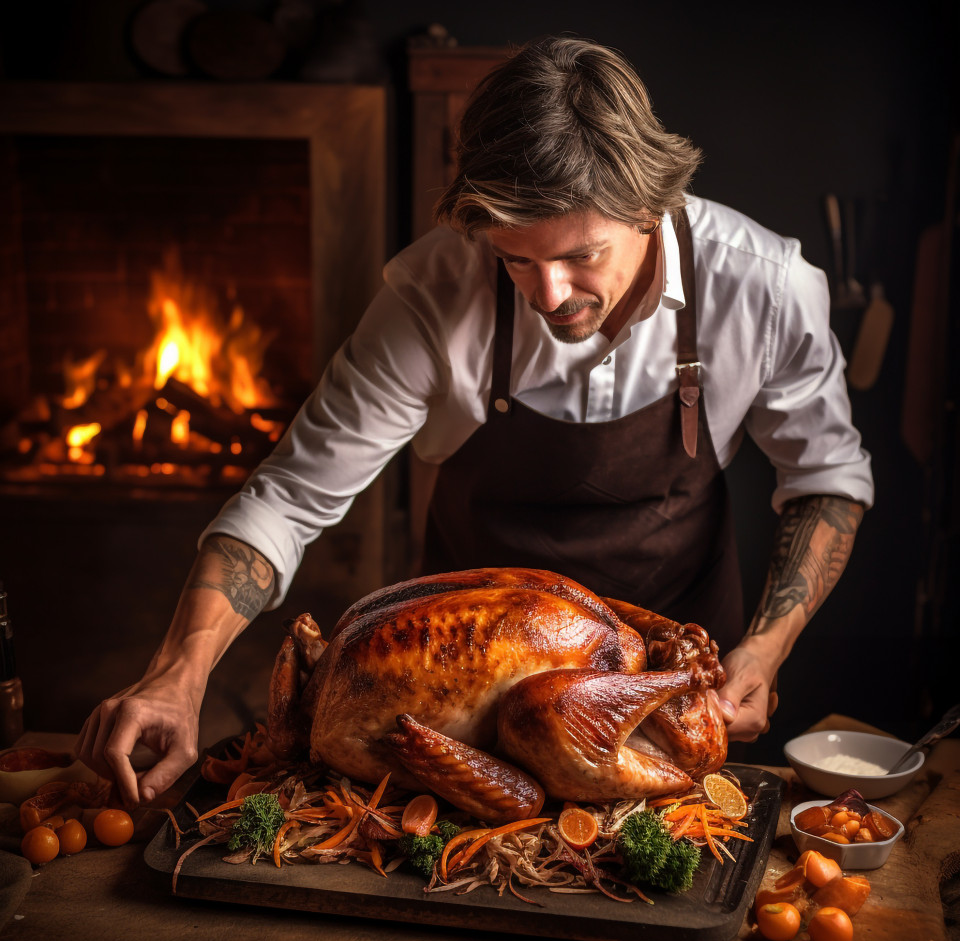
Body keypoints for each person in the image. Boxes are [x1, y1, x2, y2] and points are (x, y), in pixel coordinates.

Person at [77, 36, 873, 807]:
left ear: (649, 205)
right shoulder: (433, 292)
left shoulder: (763, 286)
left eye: (581, 256)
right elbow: (288, 498)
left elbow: (826, 481)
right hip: (459, 719)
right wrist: (178, 674)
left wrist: (766, 649)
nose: (550, 294)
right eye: (517, 258)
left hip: (659, 709)